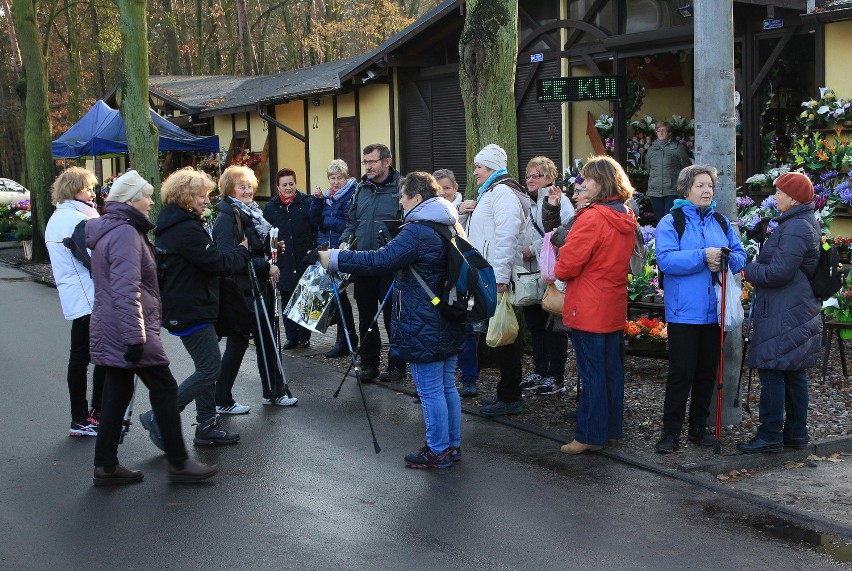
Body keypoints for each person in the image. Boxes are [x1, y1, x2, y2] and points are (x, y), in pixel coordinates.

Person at [317, 172, 466, 468]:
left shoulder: (418, 230)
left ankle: (437, 450)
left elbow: (379, 260)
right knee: (447, 386)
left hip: (424, 318)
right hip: (448, 315)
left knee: (431, 390)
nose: (399, 202)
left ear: (418, 199)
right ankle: (451, 446)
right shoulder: (449, 223)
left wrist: (335, 258)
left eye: (403, 196)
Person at [85, 169, 217, 485]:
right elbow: (126, 288)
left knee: (116, 394)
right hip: (130, 329)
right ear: (131, 200)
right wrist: (135, 337)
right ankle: (179, 462)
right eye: (145, 195)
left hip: (115, 327)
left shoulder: (114, 230)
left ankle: (105, 465)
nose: (149, 201)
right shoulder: (126, 234)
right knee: (164, 388)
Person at [139, 168, 249, 450]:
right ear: (186, 197)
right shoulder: (185, 229)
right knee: (211, 369)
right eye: (202, 196)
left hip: (191, 305)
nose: (207, 201)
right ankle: (160, 415)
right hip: (190, 309)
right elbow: (217, 263)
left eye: (208, 195)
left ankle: (207, 424)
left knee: (206, 367)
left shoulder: (180, 223)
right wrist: (243, 250)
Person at [654, 165, 746, 454]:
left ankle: (698, 428)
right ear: (686, 190)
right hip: (684, 312)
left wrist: (727, 260)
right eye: (700, 186)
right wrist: (702, 256)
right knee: (681, 373)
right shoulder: (672, 222)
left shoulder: (720, 221)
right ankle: (670, 433)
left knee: (707, 372)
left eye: (709, 186)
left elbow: (740, 255)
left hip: (714, 312)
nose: (707, 191)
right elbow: (666, 261)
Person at [554, 156, 637, 455]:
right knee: (611, 370)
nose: (582, 183)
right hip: (613, 302)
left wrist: (561, 251)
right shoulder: (625, 214)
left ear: (601, 182)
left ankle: (589, 435)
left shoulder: (592, 217)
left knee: (591, 374)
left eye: (587, 179)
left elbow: (566, 267)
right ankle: (611, 431)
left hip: (588, 305)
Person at [738, 172, 821, 453]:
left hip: (786, 310)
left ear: (794, 197)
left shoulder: (796, 227)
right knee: (793, 372)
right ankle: (796, 434)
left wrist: (748, 269)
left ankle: (770, 434)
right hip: (794, 307)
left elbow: (778, 272)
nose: (775, 197)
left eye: (780, 193)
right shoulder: (798, 222)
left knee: (773, 369)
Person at [213, 165, 299, 410]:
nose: (248, 190)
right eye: (242, 187)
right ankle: (222, 400)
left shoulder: (251, 214)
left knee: (267, 341)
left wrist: (273, 250)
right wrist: (265, 265)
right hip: (242, 292)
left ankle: (273, 392)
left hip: (258, 289)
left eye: (250, 186)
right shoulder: (227, 218)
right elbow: (228, 258)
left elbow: (252, 248)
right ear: (230, 190)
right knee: (239, 344)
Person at [465, 143, 530, 416]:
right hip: (488, 274)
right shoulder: (491, 192)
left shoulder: (502, 192)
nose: (475, 172)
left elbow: (506, 236)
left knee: (506, 335)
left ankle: (511, 396)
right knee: (501, 334)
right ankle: (507, 391)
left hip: (496, 276)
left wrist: (500, 277)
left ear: (491, 167)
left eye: (479, 167)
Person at [44, 167, 104, 437]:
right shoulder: (77, 220)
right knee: (97, 358)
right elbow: (95, 260)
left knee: (82, 358)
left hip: (79, 296)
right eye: (87, 188)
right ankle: (88, 416)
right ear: (72, 189)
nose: (92, 193)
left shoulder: (61, 217)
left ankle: (86, 415)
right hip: (90, 297)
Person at [339, 143, 406, 383]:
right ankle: (369, 364)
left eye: (373, 161)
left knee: (392, 318)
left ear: (387, 162)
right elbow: (352, 222)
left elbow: (409, 224)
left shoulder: (402, 188)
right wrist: (345, 241)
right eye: (365, 162)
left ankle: (397, 365)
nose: (368, 166)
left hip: (390, 265)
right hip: (363, 263)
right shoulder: (360, 189)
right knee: (366, 316)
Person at [518, 156, 574, 396]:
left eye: (536, 175)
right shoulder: (527, 202)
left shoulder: (559, 201)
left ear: (550, 178)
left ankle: (556, 375)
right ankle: (540, 369)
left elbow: (564, 232)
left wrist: (534, 248)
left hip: (550, 274)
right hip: (530, 274)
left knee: (553, 325)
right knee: (535, 325)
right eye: (528, 175)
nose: (530, 179)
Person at [309, 159, 358, 358]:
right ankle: (346, 337)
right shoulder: (328, 196)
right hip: (325, 249)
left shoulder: (349, 196)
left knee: (340, 295)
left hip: (341, 249)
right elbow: (314, 221)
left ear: (346, 178)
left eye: (339, 178)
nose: (335, 182)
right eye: (332, 178)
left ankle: (345, 339)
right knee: (333, 295)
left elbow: (349, 223)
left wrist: (326, 221)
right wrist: (317, 202)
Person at [264, 168, 317, 349]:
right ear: (278, 187)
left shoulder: (307, 202)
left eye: (291, 184)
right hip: (284, 259)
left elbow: (315, 228)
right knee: (286, 297)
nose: (288, 188)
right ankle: (291, 336)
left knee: (304, 298)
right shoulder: (271, 208)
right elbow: (266, 234)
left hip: (303, 257)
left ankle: (304, 336)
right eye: (284, 185)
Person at [646, 121, 691, 224]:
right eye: (658, 131)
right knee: (660, 220)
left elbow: (686, 167)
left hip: (672, 190)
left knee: (670, 219)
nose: (661, 133)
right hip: (655, 190)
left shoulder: (677, 148)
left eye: (663, 130)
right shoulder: (652, 149)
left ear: (669, 133)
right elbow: (648, 168)